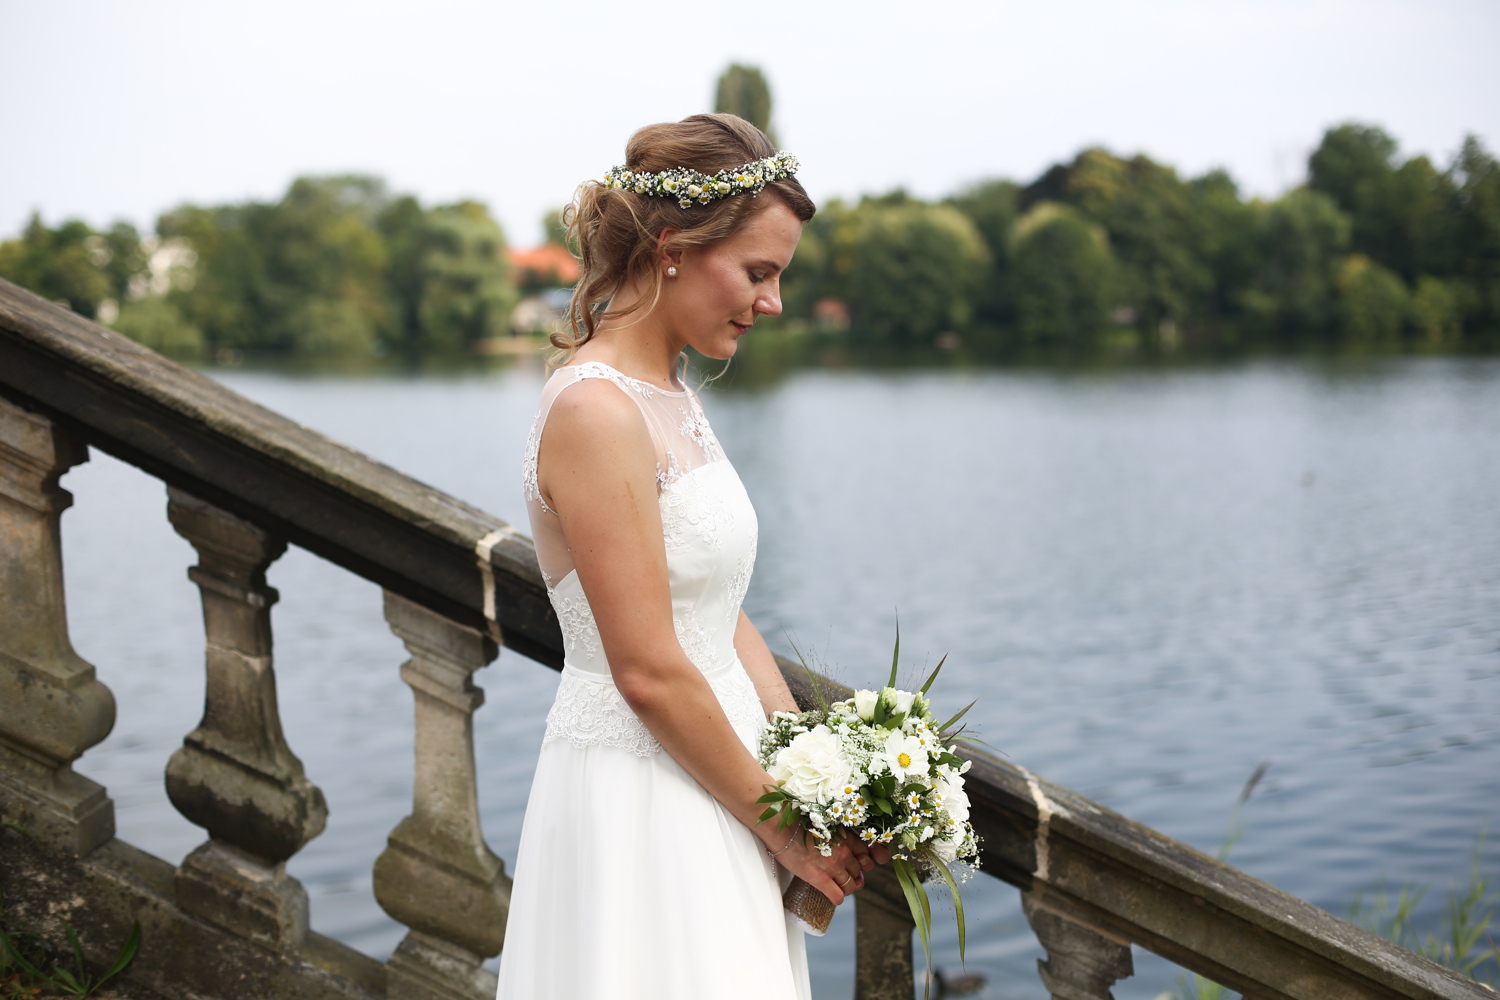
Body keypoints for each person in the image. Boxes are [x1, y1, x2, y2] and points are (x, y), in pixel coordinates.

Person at [496, 114, 890, 999]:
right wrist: (781, 827)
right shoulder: (598, 413)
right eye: (759, 272)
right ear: (673, 246)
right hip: (646, 794)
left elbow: (714, 605)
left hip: (721, 770)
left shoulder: (668, 392)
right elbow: (645, 665)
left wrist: (804, 763)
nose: (773, 302)